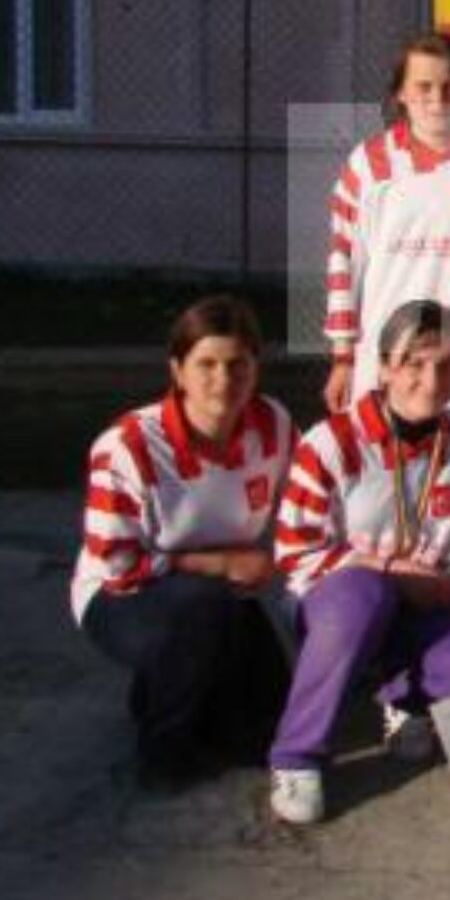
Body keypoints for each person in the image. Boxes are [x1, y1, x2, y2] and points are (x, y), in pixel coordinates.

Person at [267, 299, 450, 825]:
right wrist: (384, 570)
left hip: (425, 604)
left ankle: (403, 699)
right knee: (361, 597)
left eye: (446, 365)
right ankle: (296, 756)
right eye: (415, 363)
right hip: (335, 607)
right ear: (385, 366)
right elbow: (294, 554)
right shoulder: (330, 443)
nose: (431, 381)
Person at [72, 295, 293, 785]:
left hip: (225, 596)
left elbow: (304, 507)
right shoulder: (128, 445)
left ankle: (162, 689)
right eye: (206, 364)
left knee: (264, 734)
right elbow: (117, 566)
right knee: (199, 610)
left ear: (256, 367)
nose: (224, 379)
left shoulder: (273, 425)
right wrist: (219, 564)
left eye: (238, 364)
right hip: (122, 597)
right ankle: (162, 749)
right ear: (177, 370)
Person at [323, 34, 450, 412]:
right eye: (424, 87)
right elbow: (343, 260)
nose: (438, 100)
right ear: (401, 94)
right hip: (385, 353)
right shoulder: (369, 163)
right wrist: (343, 356)